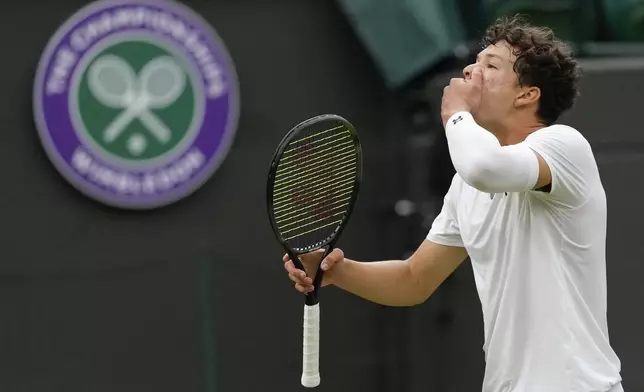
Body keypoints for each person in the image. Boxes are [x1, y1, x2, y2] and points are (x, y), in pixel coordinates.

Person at [283, 15, 624, 392]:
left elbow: (483, 166)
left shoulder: (564, 146)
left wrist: (455, 113)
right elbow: (414, 279)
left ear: (527, 94)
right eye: (474, 61)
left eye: (489, 65)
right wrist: (336, 272)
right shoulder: (466, 186)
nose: (469, 71)